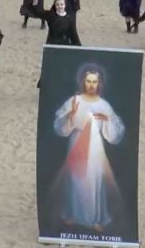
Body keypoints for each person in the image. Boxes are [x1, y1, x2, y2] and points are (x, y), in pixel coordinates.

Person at [53, 67, 124, 231]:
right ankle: (73, 214)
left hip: (95, 146)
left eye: (94, 82)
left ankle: (94, 218)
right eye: (88, 81)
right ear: (83, 82)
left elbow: (115, 127)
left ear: (99, 84)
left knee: (94, 179)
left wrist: (107, 120)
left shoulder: (103, 104)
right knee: (76, 178)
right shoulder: (75, 100)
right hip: (77, 141)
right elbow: (60, 123)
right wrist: (71, 115)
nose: (91, 85)